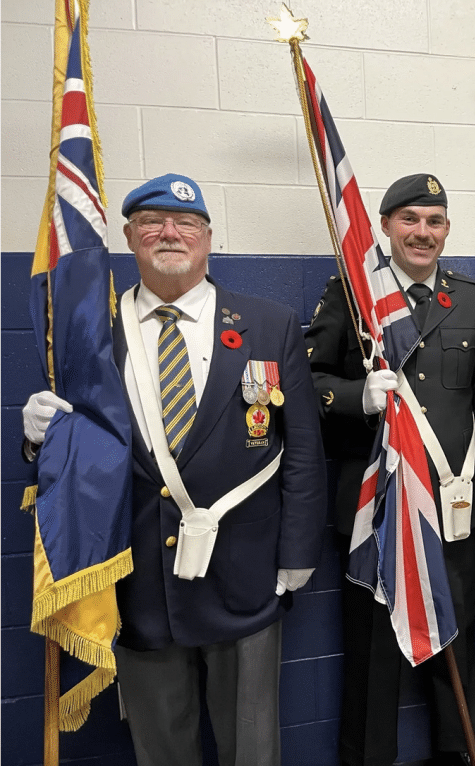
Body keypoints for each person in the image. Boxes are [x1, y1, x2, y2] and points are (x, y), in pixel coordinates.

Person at [21, 173, 328, 765]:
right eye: (151, 224)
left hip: (247, 576)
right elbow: (78, 451)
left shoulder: (270, 324)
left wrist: (297, 555)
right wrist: (38, 439)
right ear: (131, 240)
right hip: (140, 581)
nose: (169, 233)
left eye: (186, 223)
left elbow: (304, 454)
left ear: (208, 239)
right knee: (161, 748)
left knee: (252, 748)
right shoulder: (88, 335)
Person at [306, 173, 475, 766]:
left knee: (456, 641)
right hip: (377, 509)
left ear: (447, 230)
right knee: (373, 655)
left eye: (434, 221)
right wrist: (356, 398)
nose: (422, 233)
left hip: (451, 504)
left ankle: (457, 756)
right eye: (410, 220)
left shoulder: (471, 298)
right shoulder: (352, 294)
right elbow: (309, 382)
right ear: (386, 225)